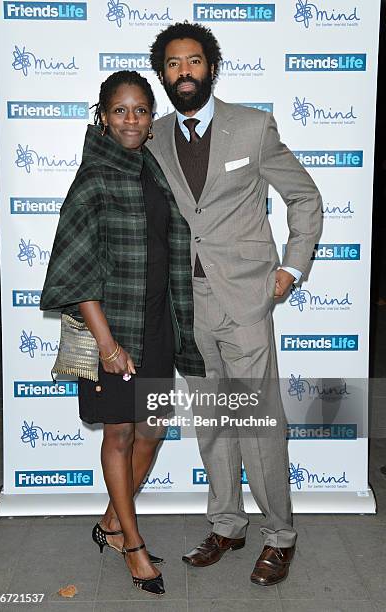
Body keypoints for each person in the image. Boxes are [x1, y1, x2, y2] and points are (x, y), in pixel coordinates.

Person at [148, 23, 322, 586]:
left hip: (245, 300)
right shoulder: (150, 137)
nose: (184, 72)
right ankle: (227, 524)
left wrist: (291, 269)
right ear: (163, 74)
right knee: (213, 425)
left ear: (211, 66)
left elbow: (304, 196)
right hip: (185, 304)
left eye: (193, 61)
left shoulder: (251, 127)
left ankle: (280, 536)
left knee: (259, 424)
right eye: (173, 64)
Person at [40, 70, 205, 596]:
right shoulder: (93, 178)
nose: (131, 120)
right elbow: (74, 270)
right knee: (120, 433)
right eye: (120, 111)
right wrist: (107, 345)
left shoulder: (151, 170)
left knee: (152, 431)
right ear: (103, 117)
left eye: (139, 111)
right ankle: (132, 545)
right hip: (113, 330)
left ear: (149, 121)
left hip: (158, 323)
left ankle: (112, 523)